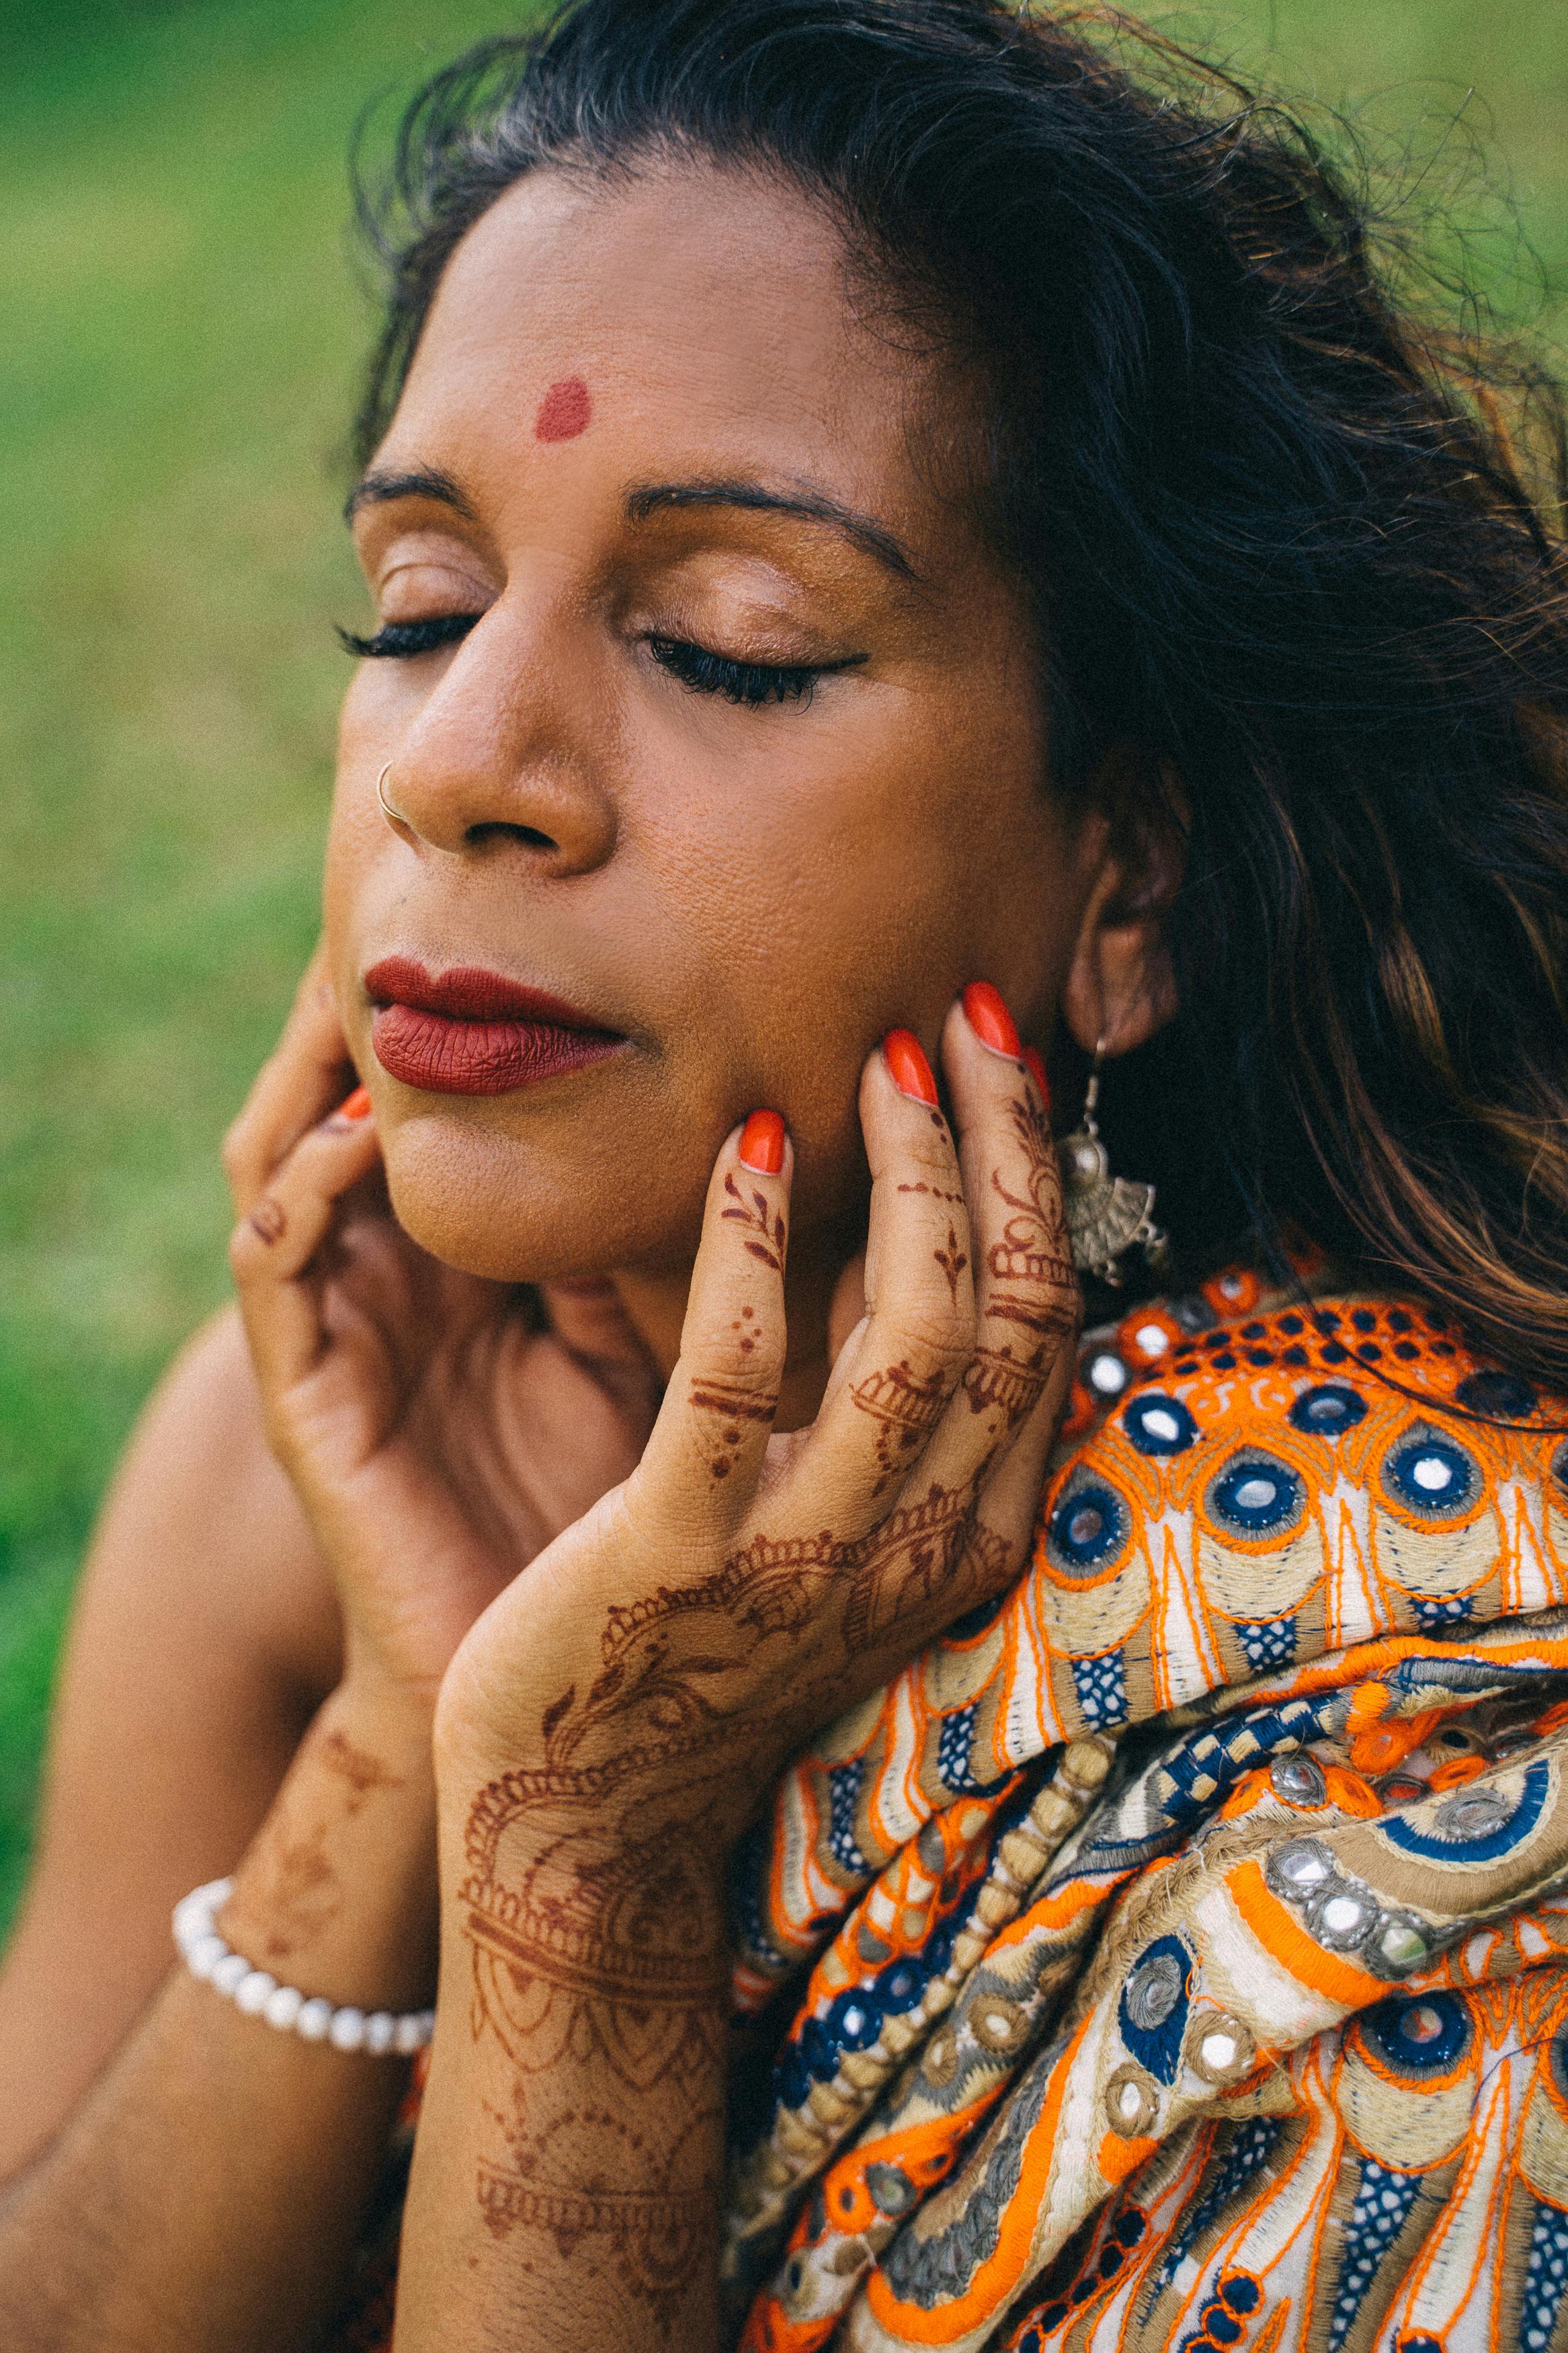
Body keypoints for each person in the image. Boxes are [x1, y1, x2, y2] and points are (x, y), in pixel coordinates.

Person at [4, 1, 1568, 2346]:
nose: (466, 769)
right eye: (417, 608)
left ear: (1125, 881)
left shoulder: (1387, 1748)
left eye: (730, 645)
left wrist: (584, 1861)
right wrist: (398, 1730)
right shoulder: (337, 1427)